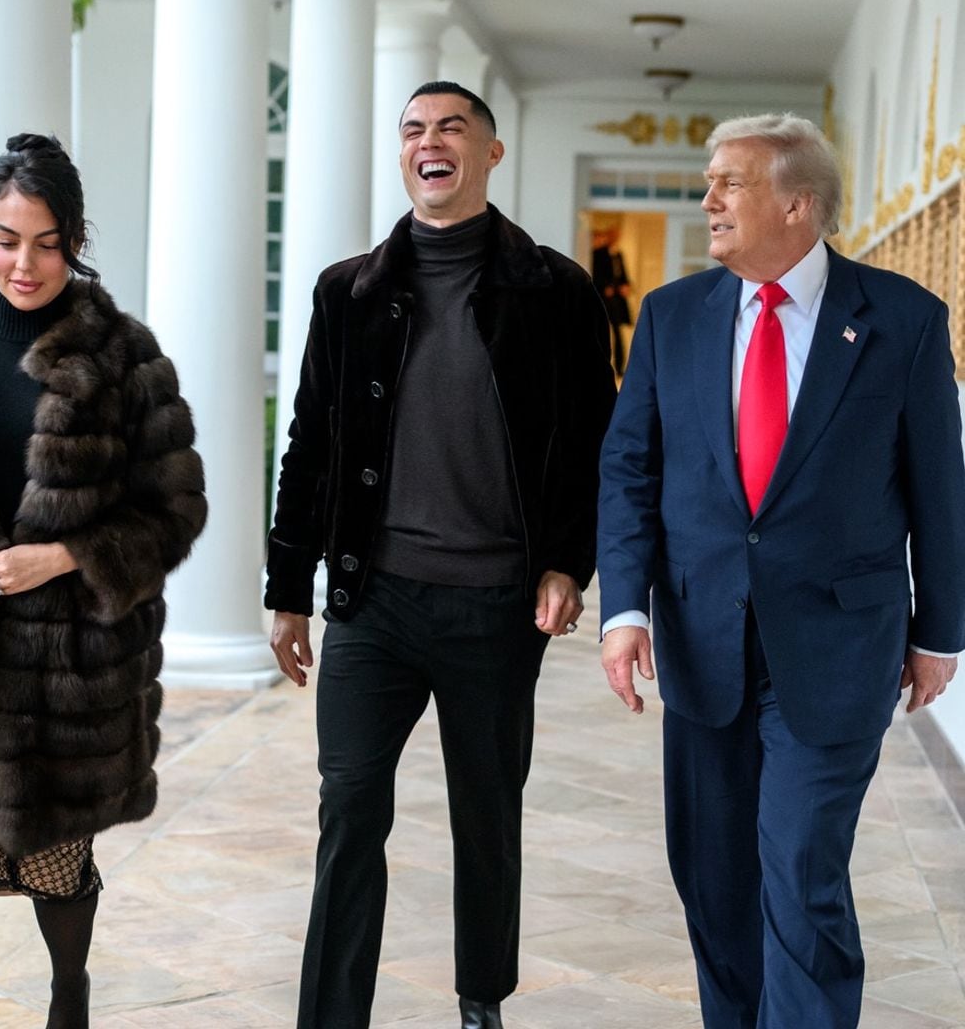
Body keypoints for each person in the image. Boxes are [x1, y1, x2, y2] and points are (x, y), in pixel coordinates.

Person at [596, 113, 965, 1029]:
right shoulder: (673, 317)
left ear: (798, 204)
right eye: (710, 182)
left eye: (731, 182)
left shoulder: (904, 320)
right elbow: (631, 468)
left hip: (840, 646)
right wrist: (624, 609)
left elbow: (939, 490)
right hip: (702, 641)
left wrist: (940, 631)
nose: (709, 201)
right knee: (714, 881)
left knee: (801, 873)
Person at [267, 81, 614, 1029]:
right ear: (403, 154)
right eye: (415, 129)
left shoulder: (556, 292)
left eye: (452, 127)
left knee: (487, 814)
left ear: (490, 153)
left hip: (495, 606)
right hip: (373, 602)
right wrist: (288, 585)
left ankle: (480, 999)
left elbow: (593, 443)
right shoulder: (348, 291)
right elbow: (310, 443)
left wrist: (567, 562)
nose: (431, 141)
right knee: (349, 808)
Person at [0, 133, 207, 1029]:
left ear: (75, 239)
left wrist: (66, 556)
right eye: (5, 240)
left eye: (45, 243)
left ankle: (71, 988)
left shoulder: (124, 360)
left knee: (56, 865)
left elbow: (174, 509)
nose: (23, 264)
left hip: (71, 658)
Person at [591, 225, 631, 373]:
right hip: (603, 299)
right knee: (601, 331)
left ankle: (620, 367)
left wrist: (626, 286)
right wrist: (604, 287)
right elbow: (596, 275)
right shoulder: (598, 254)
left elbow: (623, 275)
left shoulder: (618, 255)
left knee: (617, 333)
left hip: (617, 300)